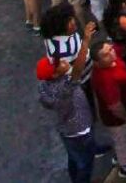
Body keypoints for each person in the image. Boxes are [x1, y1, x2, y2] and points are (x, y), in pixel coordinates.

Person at [37, 21, 98, 183]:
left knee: (74, 158)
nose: (65, 62)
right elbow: (77, 70)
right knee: (85, 163)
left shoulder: (44, 86)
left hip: (66, 130)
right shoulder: (64, 87)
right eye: (61, 64)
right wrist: (85, 41)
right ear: (55, 75)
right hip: (79, 130)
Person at [90, 39, 126, 180]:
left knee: (123, 139)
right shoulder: (105, 79)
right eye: (106, 54)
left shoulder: (112, 61)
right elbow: (114, 106)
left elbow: (121, 46)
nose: (111, 52)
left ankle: (121, 157)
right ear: (97, 62)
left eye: (110, 49)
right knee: (123, 141)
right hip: (117, 119)